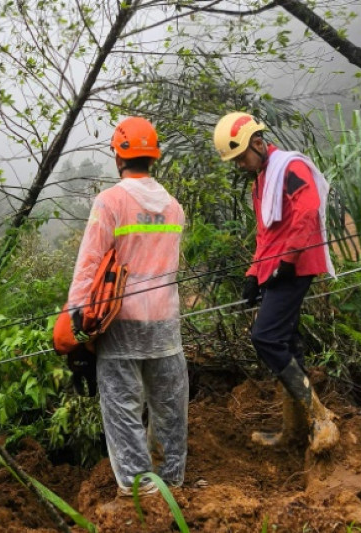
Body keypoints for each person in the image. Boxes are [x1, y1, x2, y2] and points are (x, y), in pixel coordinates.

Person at [67, 117, 188, 496]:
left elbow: (90, 262)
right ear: (154, 156)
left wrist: (77, 314)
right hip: (165, 320)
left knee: (122, 408)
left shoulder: (111, 202)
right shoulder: (173, 207)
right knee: (170, 406)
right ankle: (172, 481)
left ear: (118, 155)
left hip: (119, 322)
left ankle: (139, 491)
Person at [212, 111, 339, 453]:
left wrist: (286, 260)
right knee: (287, 344)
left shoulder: (290, 168)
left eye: (241, 157)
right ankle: (294, 432)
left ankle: (321, 419)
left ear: (257, 142)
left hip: (295, 267)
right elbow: (265, 234)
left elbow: (307, 211)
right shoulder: (262, 179)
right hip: (278, 268)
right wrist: (253, 275)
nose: (239, 165)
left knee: (265, 338)